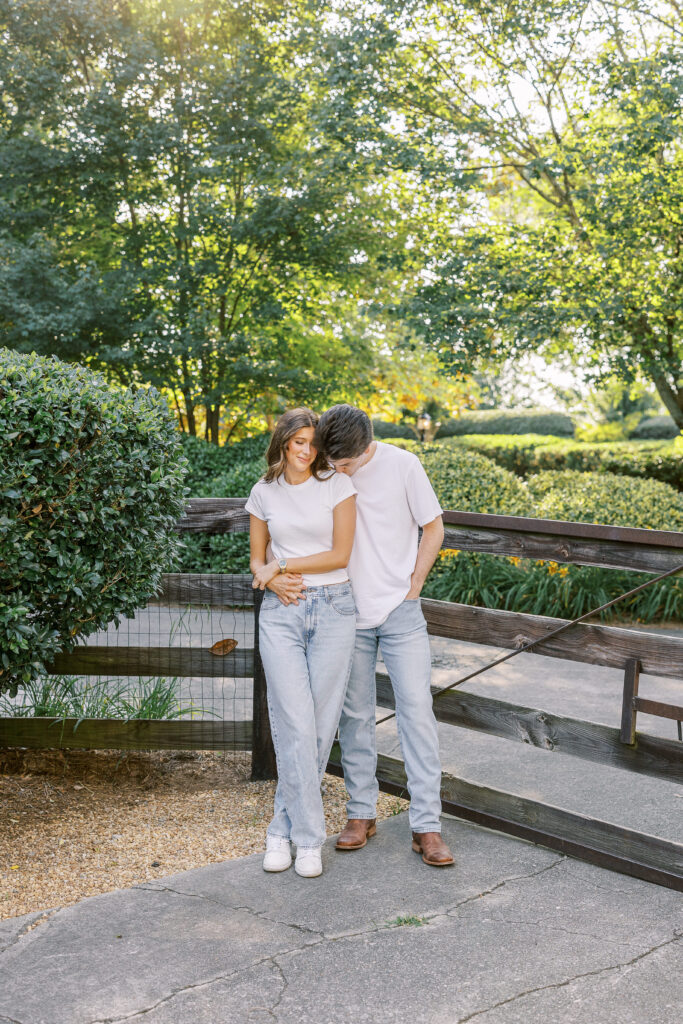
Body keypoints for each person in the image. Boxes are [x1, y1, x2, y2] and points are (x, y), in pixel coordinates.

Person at [313, 404, 454, 867]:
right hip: (346, 611)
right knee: (354, 717)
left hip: (400, 613)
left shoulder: (404, 465)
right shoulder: (327, 467)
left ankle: (427, 825)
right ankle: (361, 813)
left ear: (366, 446)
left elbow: (434, 527)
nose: (339, 471)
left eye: (347, 464)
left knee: (416, 713)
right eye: (333, 463)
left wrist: (414, 585)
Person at [246, 407, 357, 878]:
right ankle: (307, 839)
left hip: (334, 607)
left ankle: (281, 831)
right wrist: (272, 580)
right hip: (282, 612)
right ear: (283, 443)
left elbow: (340, 553)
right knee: (292, 719)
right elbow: (257, 563)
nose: (306, 452)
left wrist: (282, 568)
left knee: (317, 725)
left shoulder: (337, 485)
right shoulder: (262, 492)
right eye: (298, 443)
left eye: (313, 443)